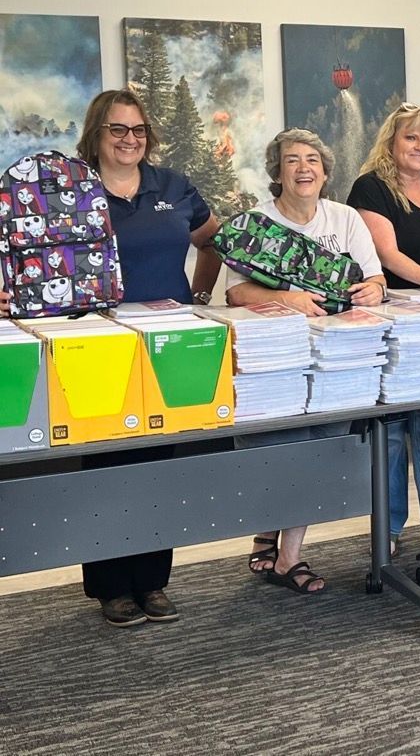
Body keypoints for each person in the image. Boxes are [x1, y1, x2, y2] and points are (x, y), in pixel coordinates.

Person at [76, 89, 222, 627]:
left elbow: (213, 242)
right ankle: (112, 586)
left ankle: (154, 581)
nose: (129, 139)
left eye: (138, 130)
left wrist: (202, 297)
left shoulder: (174, 187)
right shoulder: (71, 191)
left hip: (170, 344)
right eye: (118, 130)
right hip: (97, 347)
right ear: (96, 134)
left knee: (164, 462)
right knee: (109, 467)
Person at [228, 129, 387, 594]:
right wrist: (289, 297)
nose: (303, 168)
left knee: (320, 447)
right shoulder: (255, 222)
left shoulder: (345, 218)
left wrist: (374, 288)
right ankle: (267, 530)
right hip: (276, 358)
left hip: (336, 358)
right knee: (281, 447)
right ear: (277, 171)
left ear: (325, 170)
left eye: (312, 160)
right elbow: (236, 291)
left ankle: (288, 556)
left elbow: (375, 277)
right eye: (292, 160)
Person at [347, 103, 420, 556]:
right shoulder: (371, 187)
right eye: (411, 138)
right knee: (394, 432)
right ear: (392, 142)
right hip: (392, 318)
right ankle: (390, 529)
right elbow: (385, 254)